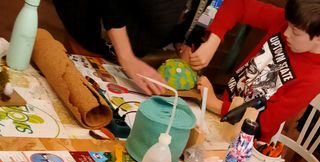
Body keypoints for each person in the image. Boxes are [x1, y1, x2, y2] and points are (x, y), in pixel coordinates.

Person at [185, 0, 320, 143]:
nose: (286, 33)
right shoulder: (294, 23)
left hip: (247, 139)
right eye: (287, 25)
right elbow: (238, 4)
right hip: (222, 110)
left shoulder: (313, 80)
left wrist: (215, 103)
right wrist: (214, 41)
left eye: (295, 32)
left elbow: (264, 121)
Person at [52, 0, 205, 95]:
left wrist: (181, 40)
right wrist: (126, 56)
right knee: (80, 89)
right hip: (93, 26)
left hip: (136, 41)